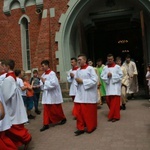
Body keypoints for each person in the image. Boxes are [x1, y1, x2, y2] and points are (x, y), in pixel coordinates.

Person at [1, 59, 31, 149]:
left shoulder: (8, 79)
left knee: (12, 127)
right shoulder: (11, 77)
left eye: (3, 66)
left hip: (10, 105)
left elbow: (5, 96)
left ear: (8, 67)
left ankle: (26, 138)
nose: (2, 67)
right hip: (13, 103)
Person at [74, 54, 98, 136]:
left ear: (85, 60)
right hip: (80, 94)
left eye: (80, 59)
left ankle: (91, 126)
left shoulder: (90, 69)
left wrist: (83, 81)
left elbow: (95, 80)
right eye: (78, 60)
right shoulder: (78, 70)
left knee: (88, 113)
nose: (79, 61)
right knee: (79, 112)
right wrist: (77, 81)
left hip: (89, 94)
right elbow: (76, 81)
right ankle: (80, 128)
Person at [40, 60, 67, 132]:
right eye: (41, 66)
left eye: (43, 66)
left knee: (56, 109)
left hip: (53, 94)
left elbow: (54, 84)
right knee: (46, 109)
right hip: (46, 95)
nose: (42, 68)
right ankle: (46, 124)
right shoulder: (43, 75)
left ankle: (62, 118)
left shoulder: (52, 74)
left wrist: (45, 82)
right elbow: (41, 85)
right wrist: (42, 83)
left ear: (47, 65)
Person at [101, 54, 123, 122]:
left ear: (113, 59)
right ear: (107, 60)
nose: (109, 60)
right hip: (108, 87)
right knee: (108, 101)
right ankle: (113, 114)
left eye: (111, 59)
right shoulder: (105, 68)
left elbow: (121, 76)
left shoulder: (117, 67)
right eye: (108, 59)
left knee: (115, 103)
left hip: (115, 88)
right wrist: (107, 76)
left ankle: (115, 116)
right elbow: (102, 76)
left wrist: (112, 75)